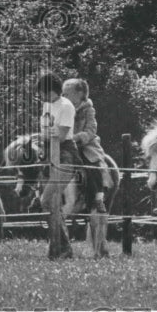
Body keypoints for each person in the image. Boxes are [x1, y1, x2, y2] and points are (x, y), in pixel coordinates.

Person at [61, 77, 108, 212]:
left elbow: (91, 130)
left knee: (91, 165)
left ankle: (98, 197)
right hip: (65, 143)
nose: (64, 96)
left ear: (80, 94)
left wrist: (78, 137)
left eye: (67, 94)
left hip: (85, 145)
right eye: (63, 94)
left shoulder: (88, 110)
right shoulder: (63, 108)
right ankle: (36, 193)